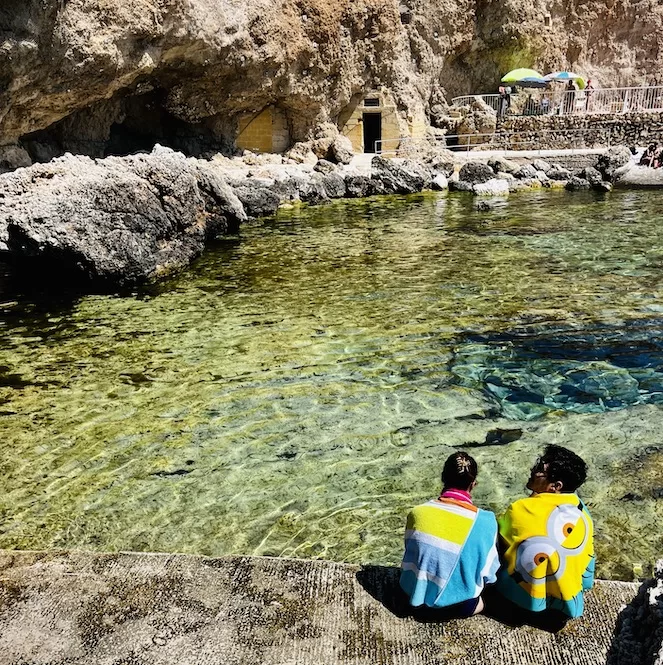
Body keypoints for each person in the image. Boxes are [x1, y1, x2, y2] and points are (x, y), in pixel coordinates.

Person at [494, 445, 595, 624]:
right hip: (567, 605)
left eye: (540, 469)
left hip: (522, 603)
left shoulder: (520, 509)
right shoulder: (582, 512)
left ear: (556, 486)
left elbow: (497, 540)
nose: (533, 470)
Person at [400, 451, 500, 618]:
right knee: (490, 597)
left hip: (412, 596)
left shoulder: (418, 512)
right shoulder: (486, 521)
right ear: (473, 484)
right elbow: (490, 575)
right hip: (457, 607)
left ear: (443, 478)